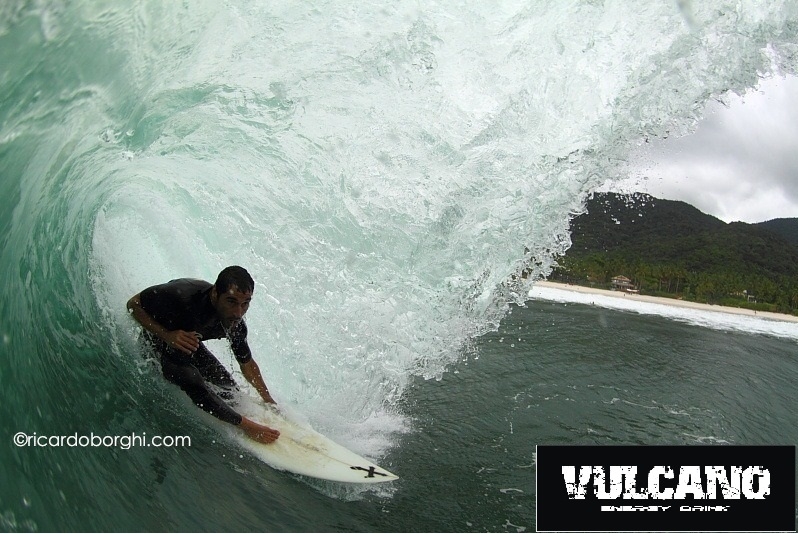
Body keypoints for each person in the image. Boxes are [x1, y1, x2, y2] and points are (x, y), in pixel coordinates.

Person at [126, 266, 280, 444]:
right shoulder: (183, 295)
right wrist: (167, 335)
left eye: (245, 303)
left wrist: (268, 399)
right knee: (192, 380)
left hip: (188, 344)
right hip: (156, 340)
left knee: (229, 389)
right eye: (231, 301)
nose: (238, 312)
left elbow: (246, 363)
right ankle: (247, 427)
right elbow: (133, 304)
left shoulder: (234, 323)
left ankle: (239, 418)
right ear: (215, 293)